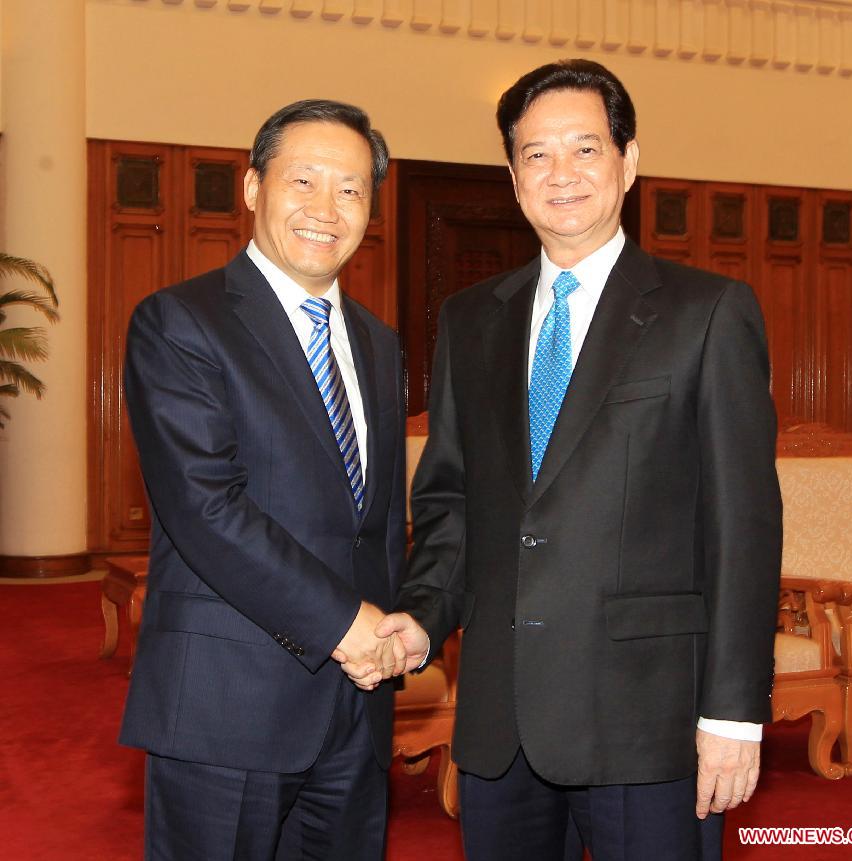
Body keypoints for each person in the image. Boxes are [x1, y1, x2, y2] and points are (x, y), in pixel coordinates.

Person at [360, 60, 783, 860]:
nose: (561, 174)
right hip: (501, 721)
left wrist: (732, 711)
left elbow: (744, 525)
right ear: (512, 176)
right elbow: (451, 504)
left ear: (628, 161)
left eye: (585, 149)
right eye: (537, 154)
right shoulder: (470, 321)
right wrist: (421, 615)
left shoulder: (708, 313)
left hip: (649, 722)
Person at [121, 99, 426, 860]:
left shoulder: (379, 344)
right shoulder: (180, 322)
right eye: (305, 181)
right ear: (254, 187)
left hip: (356, 710)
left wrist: (398, 624)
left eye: (352, 189)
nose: (328, 209)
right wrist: (346, 625)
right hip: (229, 703)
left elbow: (379, 525)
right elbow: (205, 510)